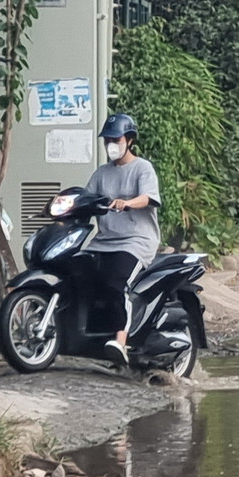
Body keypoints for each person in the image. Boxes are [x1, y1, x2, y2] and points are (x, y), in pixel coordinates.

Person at [85, 113, 161, 366]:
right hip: (103, 240)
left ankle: (120, 340)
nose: (111, 145)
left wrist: (127, 202)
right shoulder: (101, 173)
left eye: (115, 140)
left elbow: (148, 198)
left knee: (117, 282)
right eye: (107, 140)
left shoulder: (142, 168)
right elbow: (86, 198)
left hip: (136, 241)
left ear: (129, 140)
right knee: (80, 275)